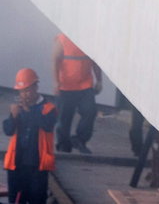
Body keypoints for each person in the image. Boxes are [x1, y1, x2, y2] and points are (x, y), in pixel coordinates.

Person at [3, 68, 57, 204]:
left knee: (37, 199)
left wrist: (28, 110)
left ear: (35, 87)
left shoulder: (49, 108)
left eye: (27, 90)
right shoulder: (19, 108)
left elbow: (46, 125)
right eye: (21, 91)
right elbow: (8, 130)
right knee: (15, 200)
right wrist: (13, 117)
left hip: (37, 165)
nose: (24, 95)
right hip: (17, 164)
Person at [52, 34, 102, 155]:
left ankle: (80, 140)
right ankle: (64, 145)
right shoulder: (63, 39)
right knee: (64, 118)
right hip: (66, 85)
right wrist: (56, 82)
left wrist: (99, 80)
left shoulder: (90, 40)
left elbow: (95, 61)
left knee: (90, 111)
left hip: (85, 85)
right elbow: (55, 60)